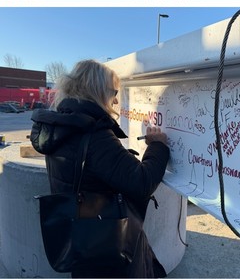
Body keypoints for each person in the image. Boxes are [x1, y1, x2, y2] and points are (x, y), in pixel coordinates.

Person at [31, 59, 170, 278]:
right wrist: (158, 146)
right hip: (108, 245)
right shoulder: (94, 135)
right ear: (97, 90)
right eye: (114, 92)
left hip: (81, 240)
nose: (115, 101)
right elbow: (142, 182)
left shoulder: (59, 126)